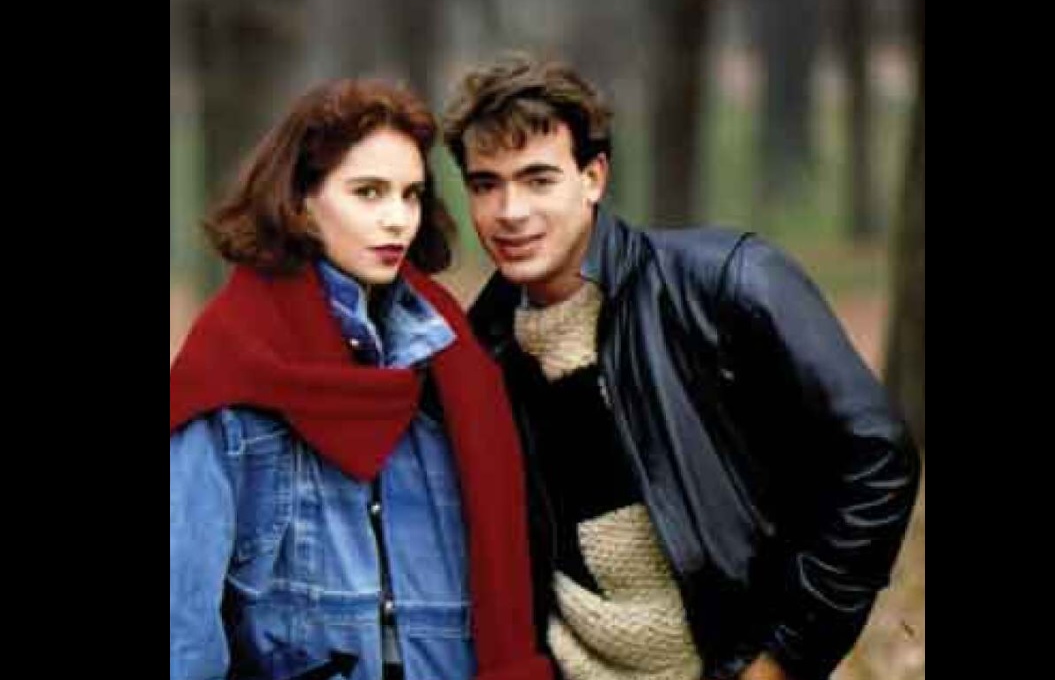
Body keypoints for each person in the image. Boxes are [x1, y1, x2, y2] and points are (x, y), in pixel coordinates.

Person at [441, 54, 921, 680]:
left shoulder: (725, 283)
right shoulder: (482, 354)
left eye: (538, 180)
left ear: (593, 177)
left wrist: (785, 658)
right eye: (486, 185)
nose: (510, 210)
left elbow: (877, 456)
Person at [170, 78, 551, 680]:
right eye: (368, 193)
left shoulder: (455, 367)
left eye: (411, 195)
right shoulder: (230, 368)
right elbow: (182, 629)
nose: (397, 219)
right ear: (300, 202)